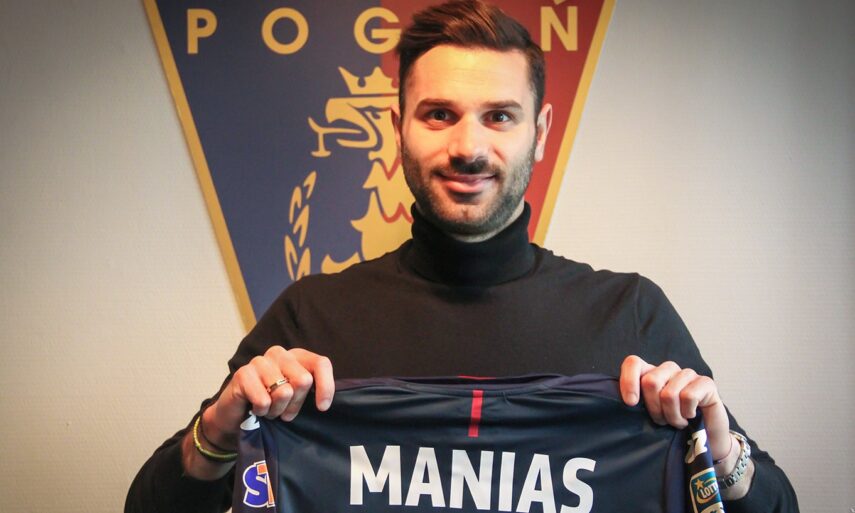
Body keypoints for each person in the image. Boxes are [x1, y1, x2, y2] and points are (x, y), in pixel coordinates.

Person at [126, 1, 798, 511]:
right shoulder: (311, 315)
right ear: (400, 129)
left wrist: (721, 451)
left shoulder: (630, 313)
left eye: (499, 116)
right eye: (439, 114)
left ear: (540, 132)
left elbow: (776, 504)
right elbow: (148, 504)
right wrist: (220, 428)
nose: (468, 148)